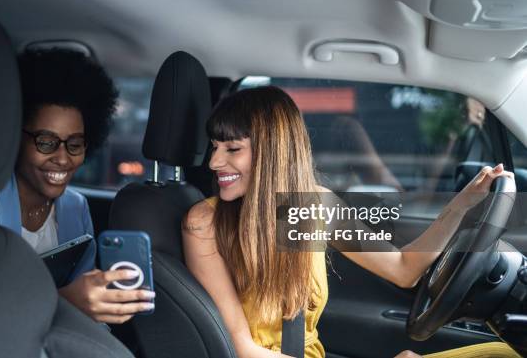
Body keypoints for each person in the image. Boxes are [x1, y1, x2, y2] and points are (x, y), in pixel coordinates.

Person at [182, 86, 518, 358]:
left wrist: (460, 206)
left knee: (500, 351)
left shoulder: (314, 206)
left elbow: (403, 268)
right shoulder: (204, 223)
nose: (214, 161)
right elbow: (242, 350)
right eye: (215, 147)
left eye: (231, 148)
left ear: (273, 150)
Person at [0, 49, 154, 324]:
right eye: (46, 142)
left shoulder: (76, 207)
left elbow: (85, 309)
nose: (62, 158)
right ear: (13, 137)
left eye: (74, 144)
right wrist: (63, 301)